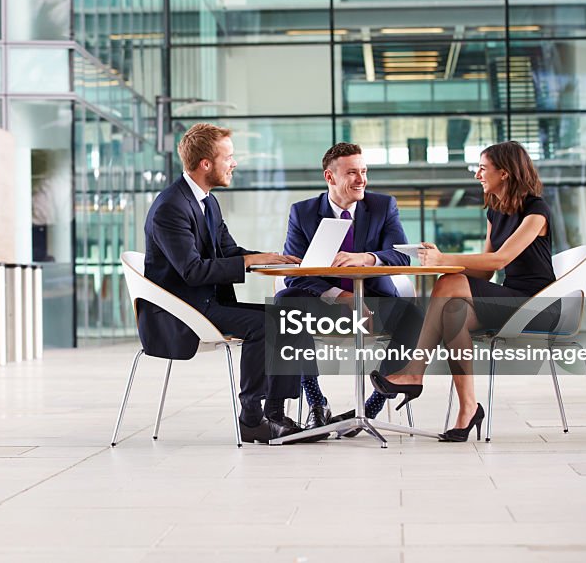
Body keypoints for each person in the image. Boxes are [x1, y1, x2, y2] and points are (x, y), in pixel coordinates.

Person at [370, 141, 557, 442]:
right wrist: (439, 265)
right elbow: (485, 272)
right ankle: (468, 408)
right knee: (453, 311)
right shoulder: (495, 211)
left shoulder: (536, 211)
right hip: (510, 300)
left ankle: (415, 372)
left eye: (483, 168)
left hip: (538, 306)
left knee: (448, 282)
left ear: (505, 173)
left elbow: (500, 259)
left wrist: (446, 261)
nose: (477, 175)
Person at [142, 123, 316, 444]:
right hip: (182, 310)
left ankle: (274, 412)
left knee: (289, 319)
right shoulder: (171, 207)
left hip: (208, 303)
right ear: (206, 164)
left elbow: (230, 252)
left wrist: (268, 257)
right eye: (229, 157)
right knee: (265, 325)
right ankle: (251, 418)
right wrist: (248, 262)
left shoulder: (207, 201)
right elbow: (192, 271)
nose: (234, 163)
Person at [274, 143, 421, 434]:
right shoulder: (302, 213)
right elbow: (296, 273)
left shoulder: (382, 205)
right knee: (285, 302)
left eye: (364, 171)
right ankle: (317, 402)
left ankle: (372, 406)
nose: (361, 179)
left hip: (374, 304)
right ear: (330, 177)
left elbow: (401, 256)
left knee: (415, 315)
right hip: (327, 305)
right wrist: (343, 297)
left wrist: (367, 257)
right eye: (352, 172)